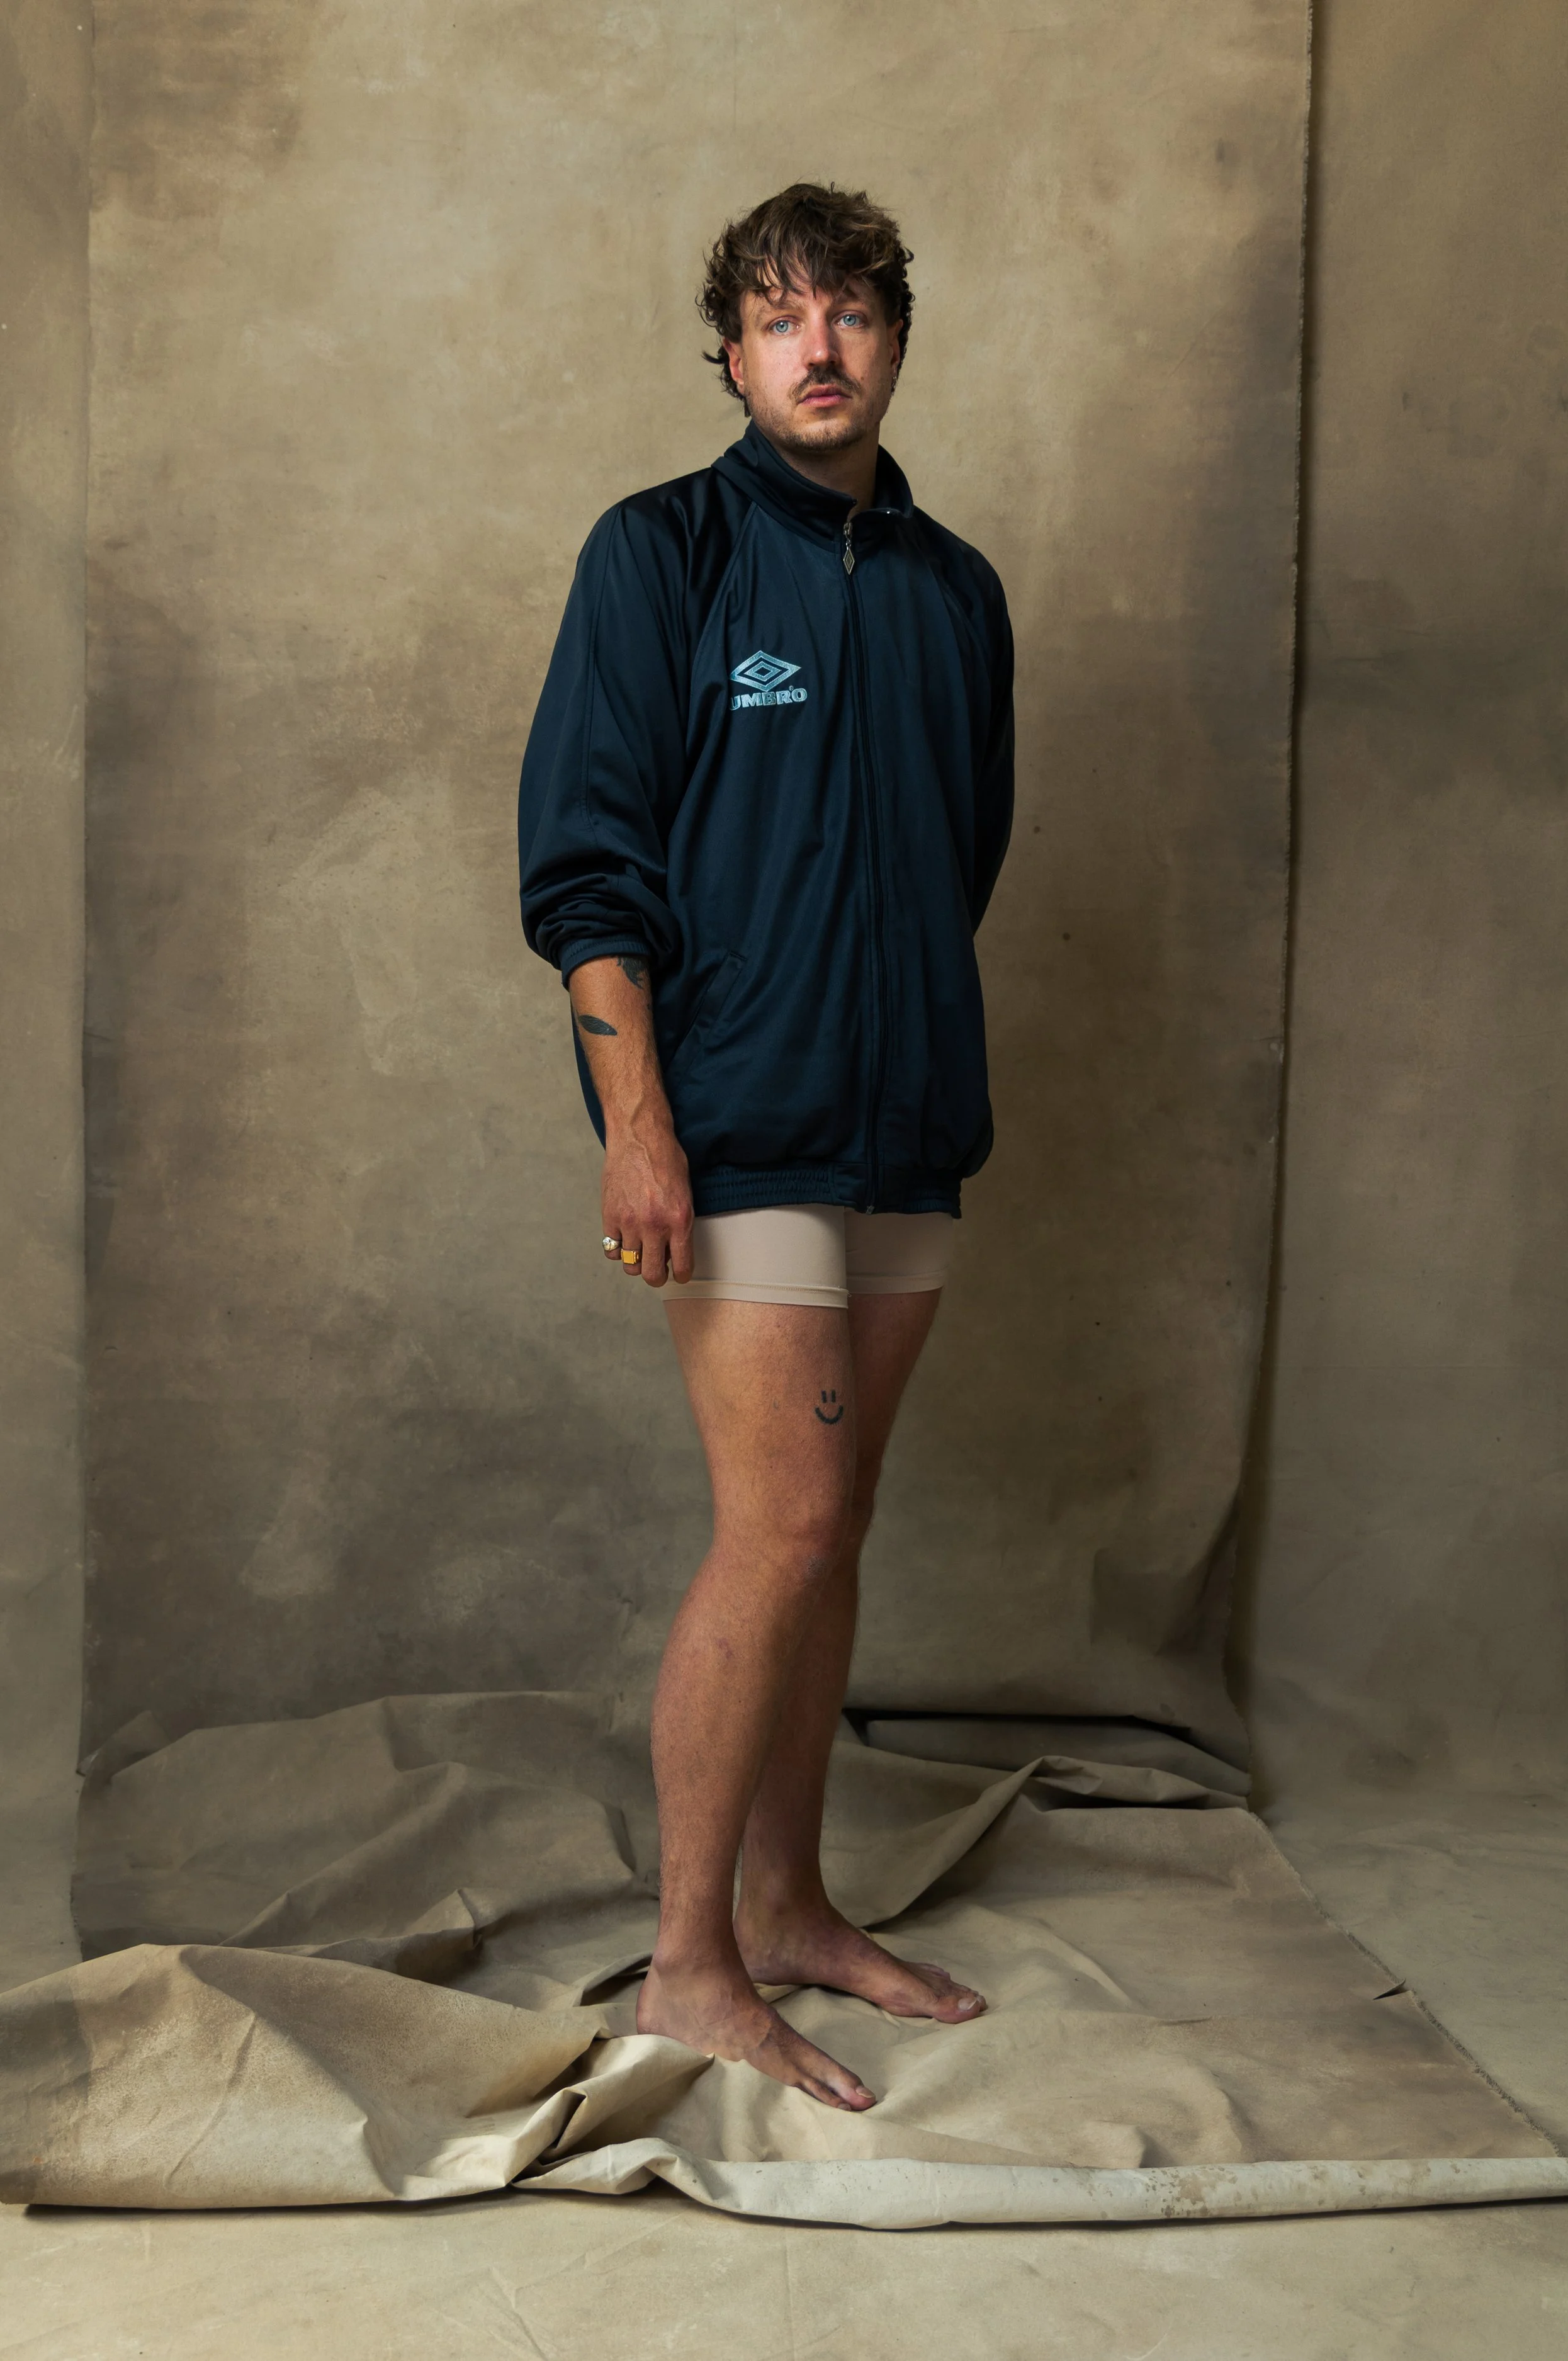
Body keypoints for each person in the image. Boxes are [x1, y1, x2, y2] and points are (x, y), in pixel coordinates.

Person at [517, 183, 1013, 2110]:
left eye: (853, 312)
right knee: (781, 1525)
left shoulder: (957, 589)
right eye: (777, 315)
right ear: (726, 353)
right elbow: (586, 866)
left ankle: (796, 1902)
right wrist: (640, 1124)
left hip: (907, 1125)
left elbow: (962, 851)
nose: (819, 345)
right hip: (730, 1126)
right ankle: (691, 1959)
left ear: (897, 337)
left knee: (838, 1533)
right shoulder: (660, 556)